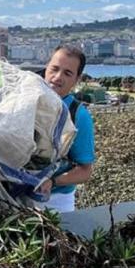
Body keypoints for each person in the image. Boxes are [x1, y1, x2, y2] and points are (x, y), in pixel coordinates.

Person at [38, 45, 95, 213]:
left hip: (55, 203)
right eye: (54, 69)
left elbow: (85, 171)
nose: (57, 77)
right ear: (46, 67)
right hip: (12, 197)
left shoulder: (78, 115)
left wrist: (53, 181)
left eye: (67, 73)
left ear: (77, 79)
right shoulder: (25, 101)